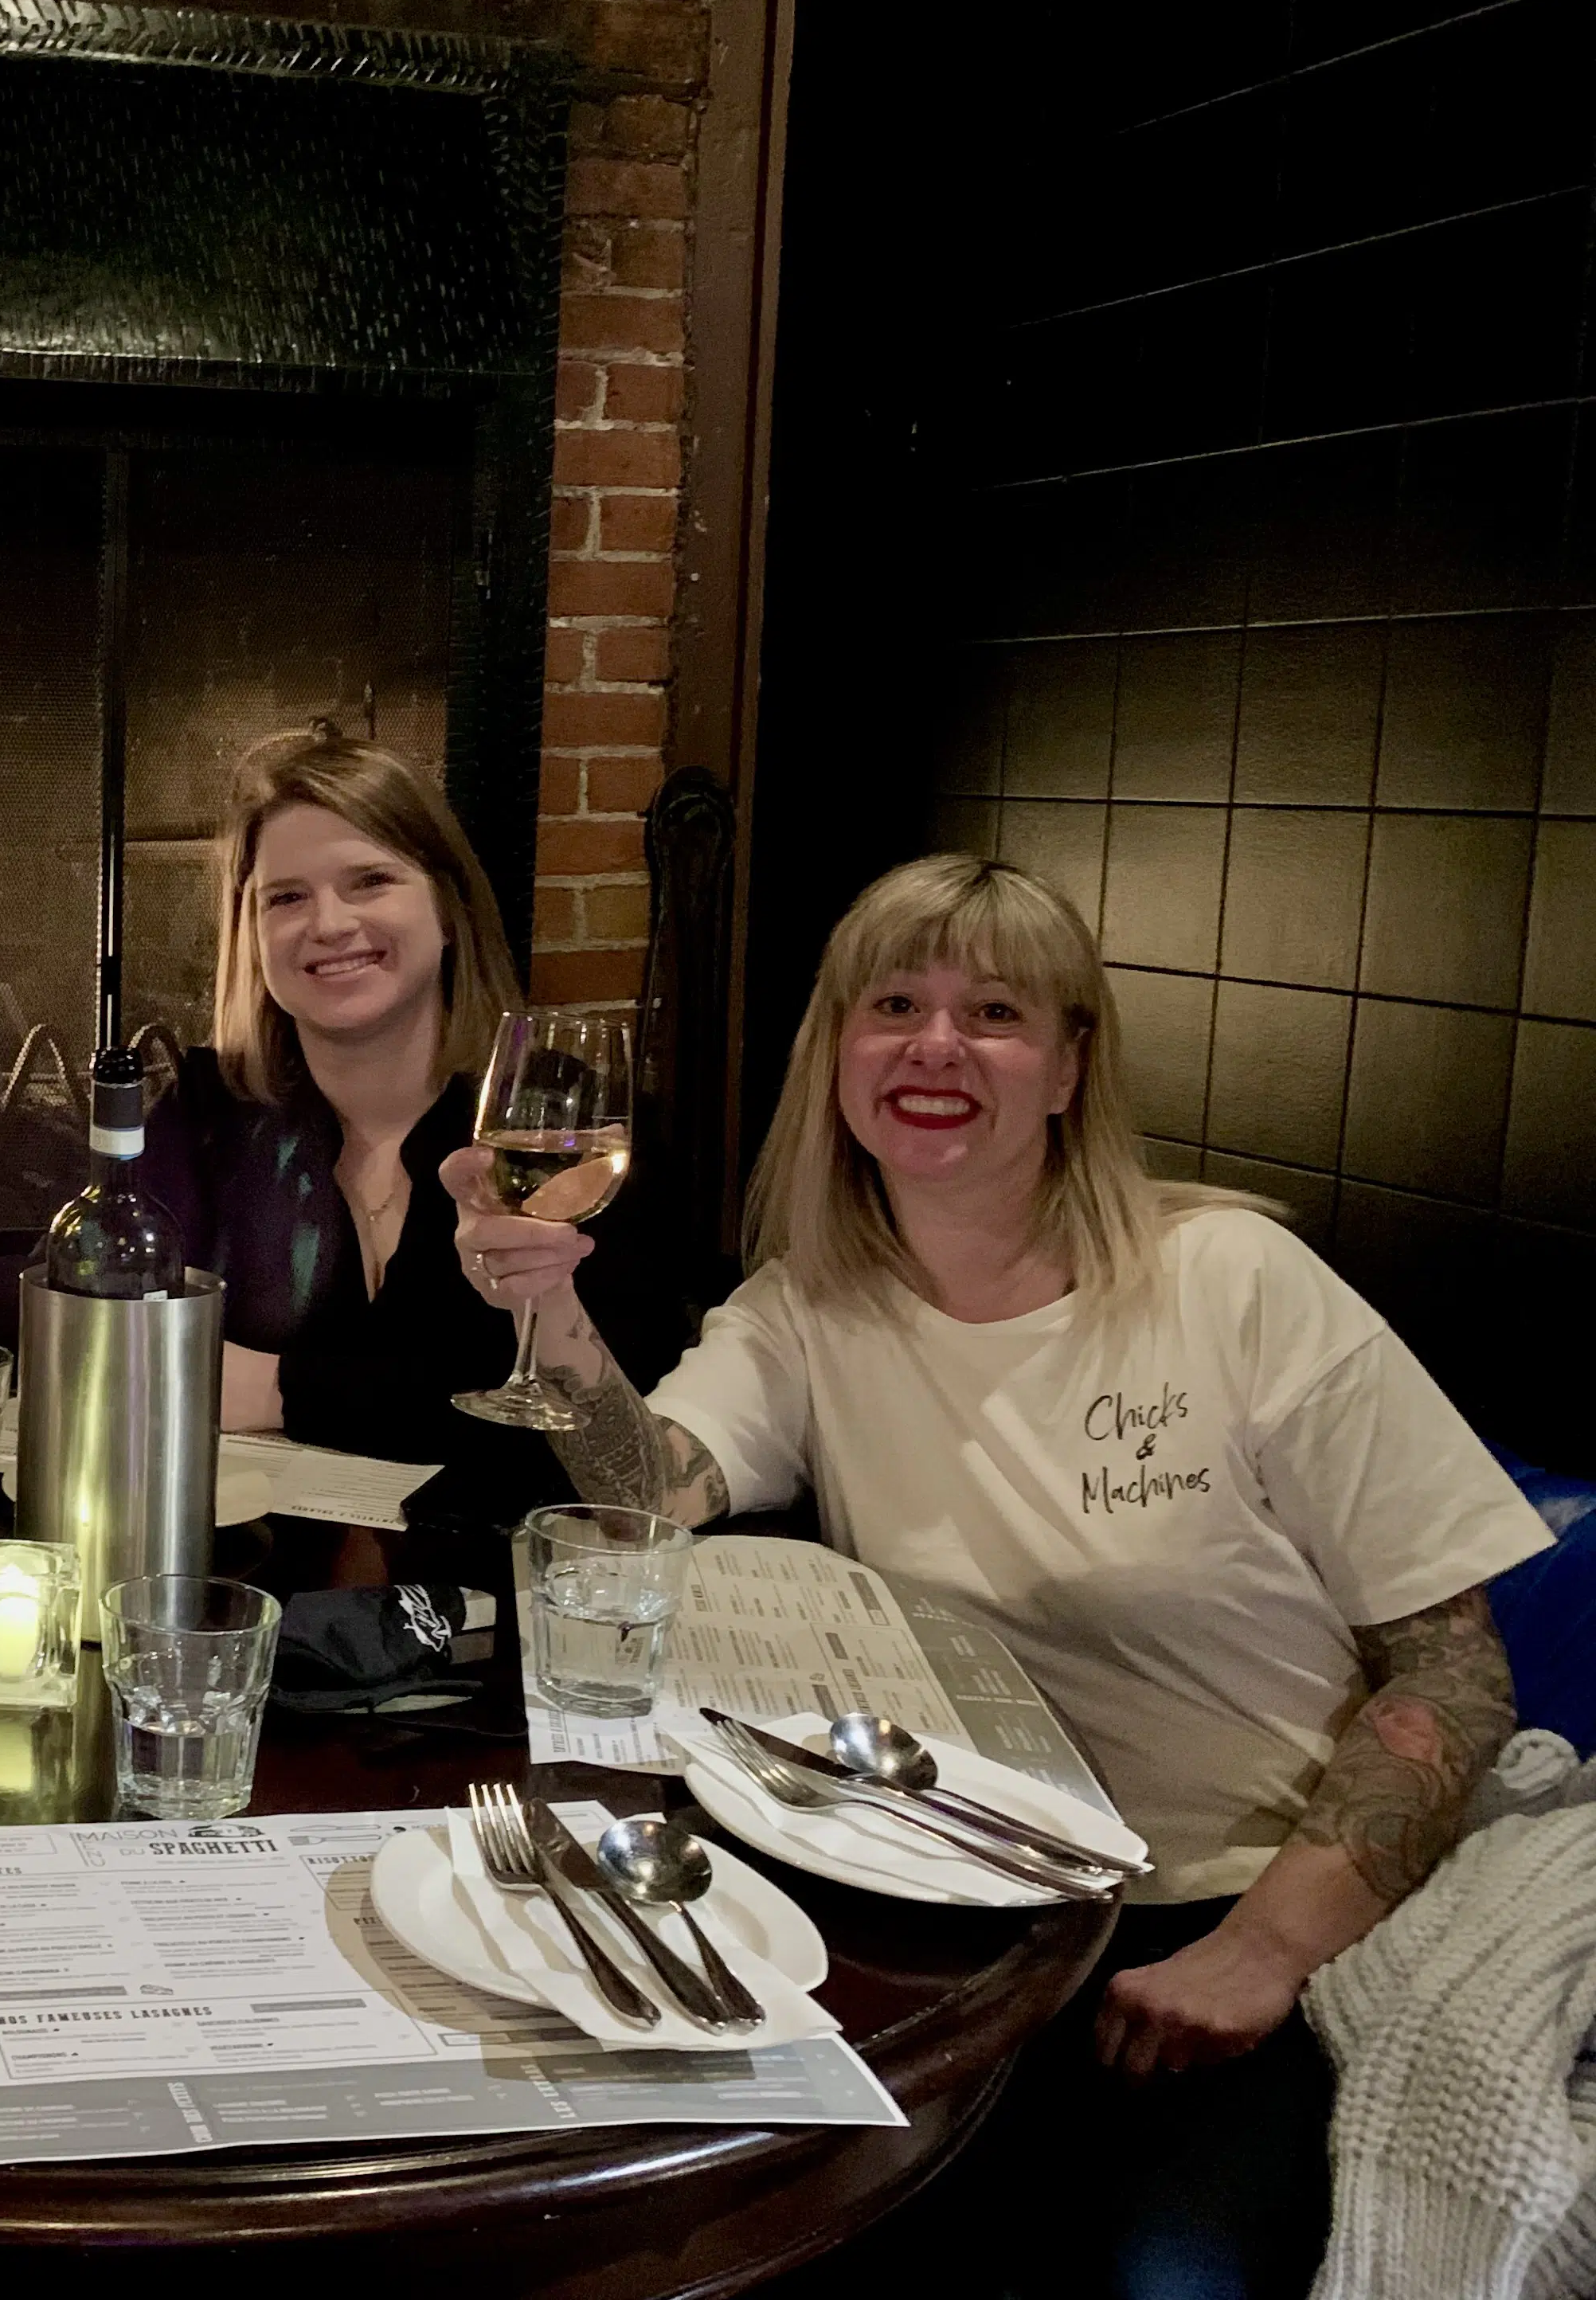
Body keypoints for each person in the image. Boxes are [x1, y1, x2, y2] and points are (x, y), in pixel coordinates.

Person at [449, 851, 1549, 2300]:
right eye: (893, 1000)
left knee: (1149, 2270)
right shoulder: (809, 1300)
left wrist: (1262, 1945)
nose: (936, 1043)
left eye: (996, 1011)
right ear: (836, 1049)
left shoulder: (1234, 1281)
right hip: (957, 1894)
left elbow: (1456, 1666)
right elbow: (650, 1489)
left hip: (1227, 1908)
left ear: (1070, 1063)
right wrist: (554, 1308)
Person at [0, 726, 677, 1475]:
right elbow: (98, 1327)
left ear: (448, 909)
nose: (329, 924)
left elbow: (595, 1424)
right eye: (285, 898)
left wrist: (273, 1386)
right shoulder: (212, 1112)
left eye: (369, 881)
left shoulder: (563, 1127)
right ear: (251, 937)